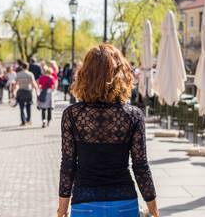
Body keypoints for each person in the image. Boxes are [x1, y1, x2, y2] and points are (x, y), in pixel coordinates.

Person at [58, 44, 159, 217]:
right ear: (121, 74)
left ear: (85, 75)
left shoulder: (72, 115)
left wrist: (62, 211)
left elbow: (68, 166)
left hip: (84, 203)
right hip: (124, 202)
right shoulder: (133, 115)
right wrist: (154, 212)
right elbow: (141, 166)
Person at [12, 62, 39, 126]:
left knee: (21, 107)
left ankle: (23, 121)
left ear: (22, 67)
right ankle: (28, 120)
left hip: (20, 91)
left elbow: (15, 84)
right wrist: (37, 91)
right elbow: (34, 84)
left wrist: (13, 92)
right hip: (28, 91)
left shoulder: (18, 74)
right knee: (28, 106)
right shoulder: (30, 74)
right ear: (27, 67)